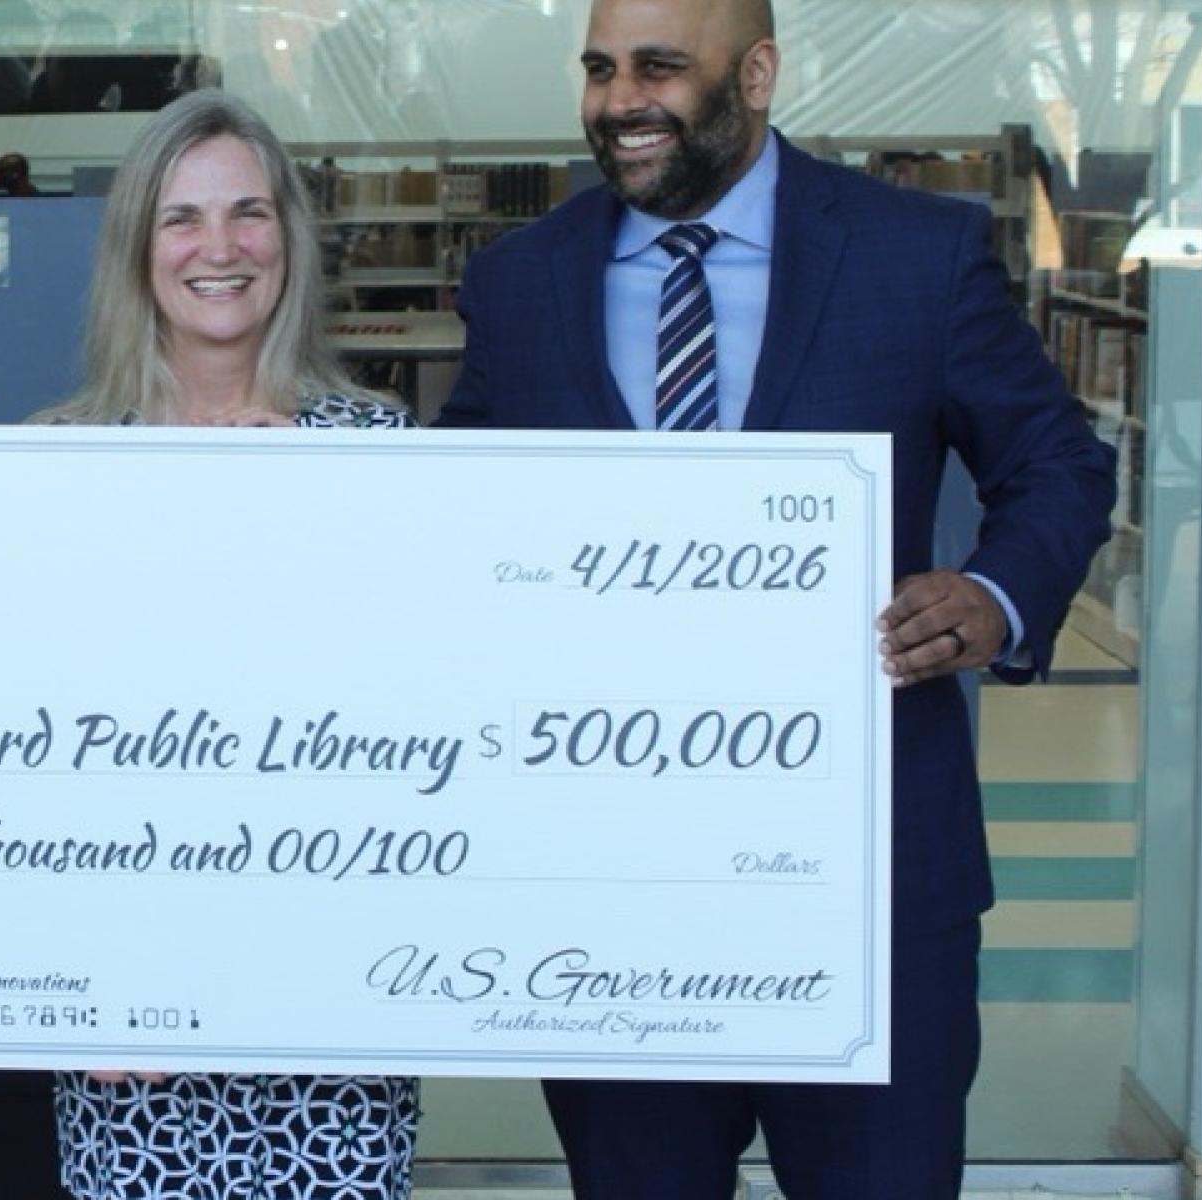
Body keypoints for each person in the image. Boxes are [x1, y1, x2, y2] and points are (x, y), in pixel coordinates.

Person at [437, 0, 1115, 1195]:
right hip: (607, 888)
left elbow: (1055, 461)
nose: (615, 101)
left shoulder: (917, 253)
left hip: (868, 884)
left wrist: (994, 596)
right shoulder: (519, 282)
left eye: (657, 67)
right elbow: (457, 527)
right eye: (597, 70)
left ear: (756, 75)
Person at [31, 90, 418, 1199]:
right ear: (135, 249)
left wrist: (322, 522)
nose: (219, 248)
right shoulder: (55, 465)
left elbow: (423, 719)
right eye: (182, 218)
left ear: (288, 238)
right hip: (130, 991)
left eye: (249, 213)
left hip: (332, 982)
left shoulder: (378, 451)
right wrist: (66, 983)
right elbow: (24, 754)